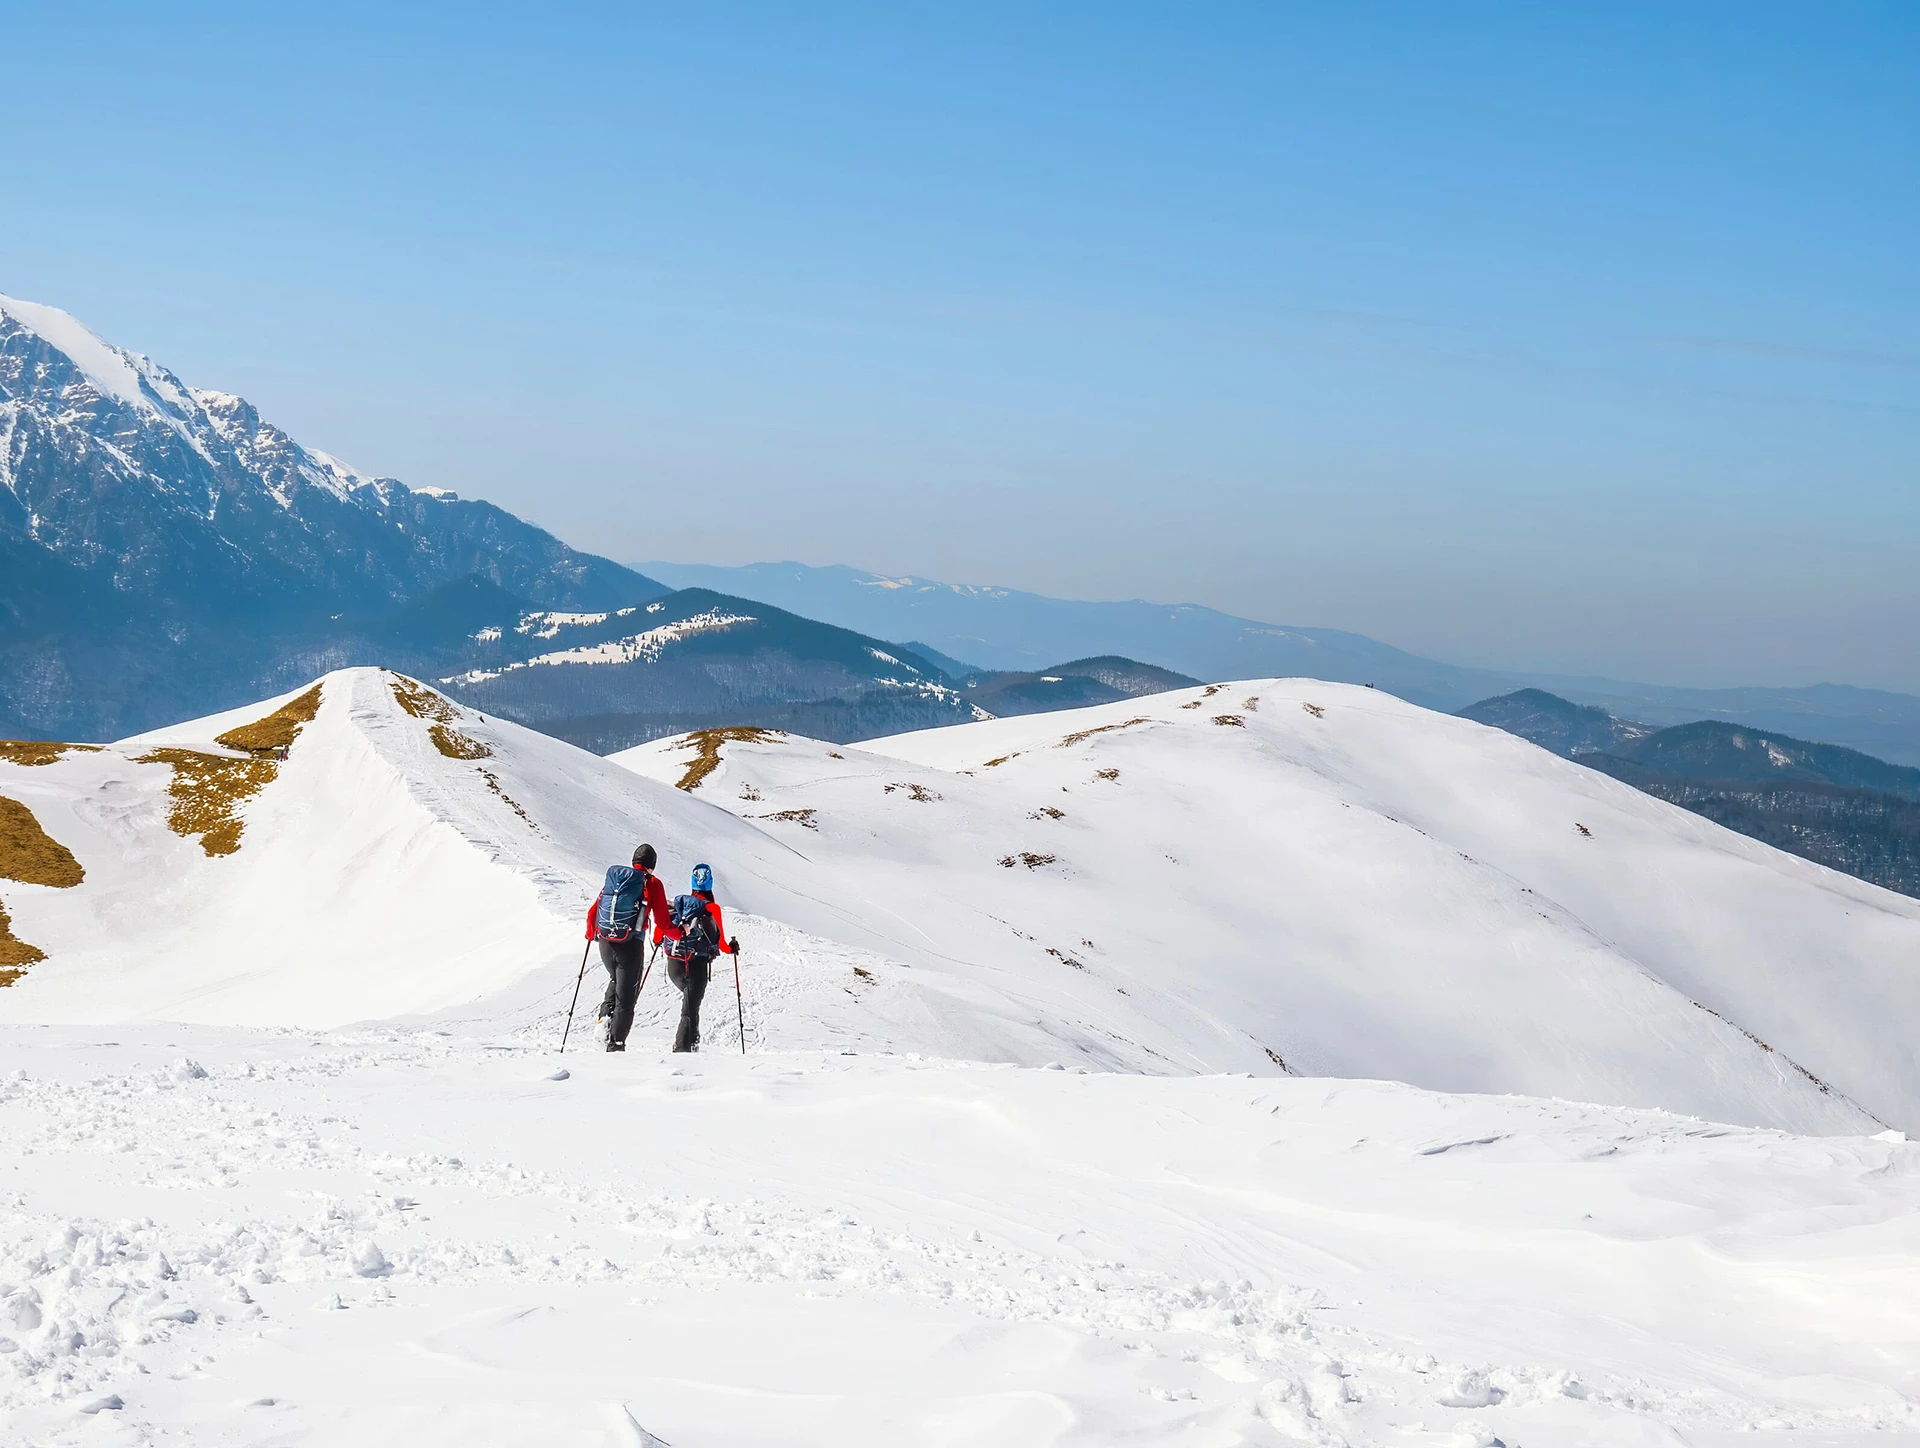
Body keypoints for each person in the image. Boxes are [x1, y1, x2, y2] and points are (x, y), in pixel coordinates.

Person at [584, 843, 670, 1052]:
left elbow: (593, 911)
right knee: (627, 996)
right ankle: (616, 1045)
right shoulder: (653, 883)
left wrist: (590, 934)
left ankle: (603, 1023)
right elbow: (664, 922)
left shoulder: (616, 881)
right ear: (652, 865)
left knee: (616, 980)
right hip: (630, 944)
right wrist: (680, 932)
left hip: (605, 941)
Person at [660, 862, 740, 1053]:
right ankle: (683, 1050)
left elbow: (661, 931)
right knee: (690, 1009)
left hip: (674, 964)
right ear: (710, 884)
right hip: (696, 964)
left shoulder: (679, 905)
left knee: (690, 1006)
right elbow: (720, 942)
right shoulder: (712, 908)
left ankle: (692, 1044)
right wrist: (731, 949)